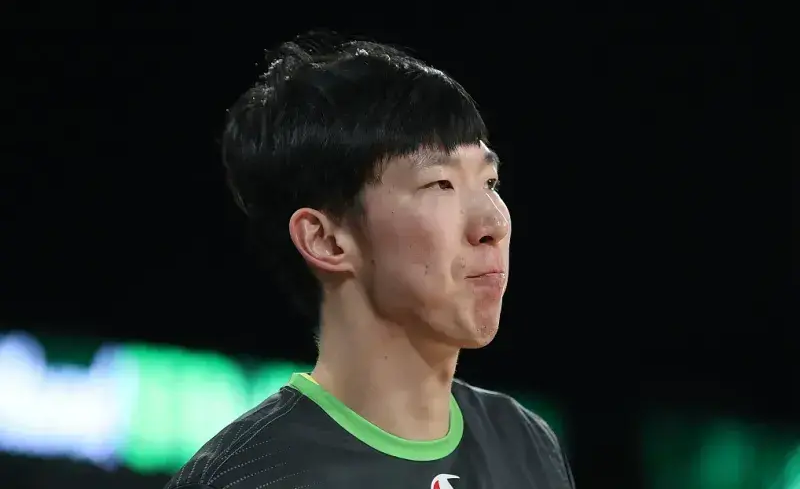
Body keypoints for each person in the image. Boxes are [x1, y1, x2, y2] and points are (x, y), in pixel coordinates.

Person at [165, 32, 575, 489]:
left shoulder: (526, 444)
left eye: (490, 182)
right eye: (440, 184)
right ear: (326, 240)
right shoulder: (247, 476)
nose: (494, 224)